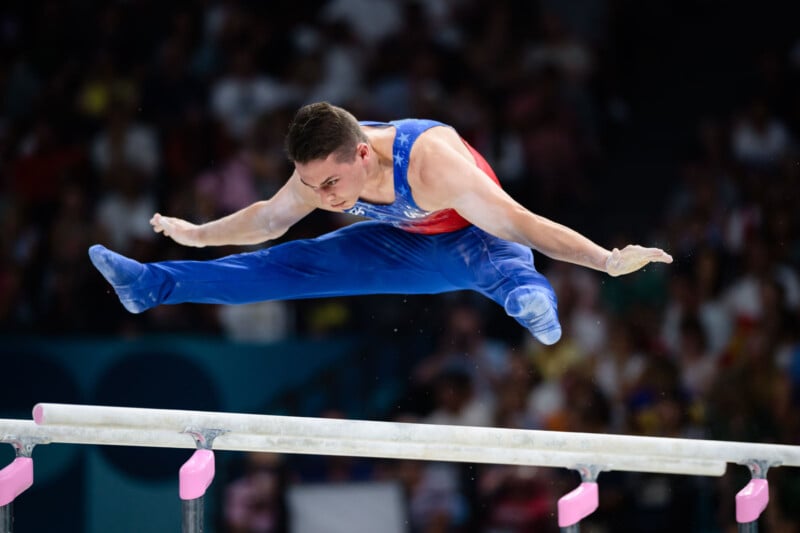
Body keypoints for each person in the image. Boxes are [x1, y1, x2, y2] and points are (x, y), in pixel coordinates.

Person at [88, 102, 672, 345]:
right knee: (287, 264)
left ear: (363, 154)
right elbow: (268, 221)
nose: (322, 196)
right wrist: (197, 233)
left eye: (331, 185)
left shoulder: (433, 164)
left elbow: (518, 221)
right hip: (401, 243)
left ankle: (531, 301)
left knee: (505, 265)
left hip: (471, 237)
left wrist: (604, 259)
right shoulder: (323, 168)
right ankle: (152, 285)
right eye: (312, 185)